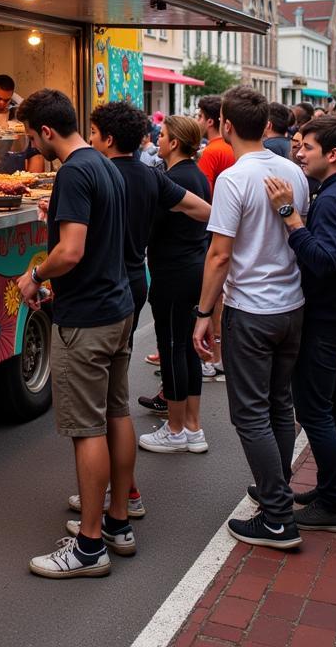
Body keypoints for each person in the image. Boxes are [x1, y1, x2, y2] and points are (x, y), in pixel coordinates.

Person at [14, 90, 136, 578]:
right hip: (117, 307)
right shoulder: (106, 164)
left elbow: (72, 250)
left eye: (30, 136)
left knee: (87, 428)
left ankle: (88, 548)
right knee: (118, 413)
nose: (31, 146)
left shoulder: (71, 173)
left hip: (86, 320)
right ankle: (118, 523)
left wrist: (36, 277)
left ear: (46, 131)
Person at [193, 86, 310, 549]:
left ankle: (278, 516)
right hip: (290, 304)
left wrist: (204, 313)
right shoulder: (294, 172)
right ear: (265, 125)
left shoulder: (233, 179)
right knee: (279, 404)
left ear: (224, 126)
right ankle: (273, 491)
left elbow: (220, 255)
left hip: (252, 308)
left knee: (250, 413)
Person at [264, 116, 336, 531]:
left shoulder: (332, 199)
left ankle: (332, 505)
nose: (299, 152)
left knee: (314, 410)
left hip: (330, 317)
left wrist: (289, 216)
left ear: (332, 154)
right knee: (332, 404)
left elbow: (323, 259)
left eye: (307, 147)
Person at [89, 102, 211, 347]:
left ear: (109, 139)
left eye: (93, 132)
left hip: (103, 283)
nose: (90, 139)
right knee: (122, 356)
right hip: (135, 282)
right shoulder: (152, 175)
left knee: (97, 367)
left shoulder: (96, 175)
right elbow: (206, 211)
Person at [138, 115, 211, 454]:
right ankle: (193, 426)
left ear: (175, 143)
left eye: (163, 135)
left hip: (173, 271)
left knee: (171, 348)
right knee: (185, 346)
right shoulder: (196, 175)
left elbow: (152, 226)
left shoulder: (174, 179)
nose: (158, 140)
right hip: (193, 267)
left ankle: (177, 428)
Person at [195, 94, 236, 379]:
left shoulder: (211, 152)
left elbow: (203, 196)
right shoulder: (231, 149)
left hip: (218, 229)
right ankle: (222, 355)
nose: (197, 121)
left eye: (199, 116)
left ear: (212, 121)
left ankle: (216, 356)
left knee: (216, 298)